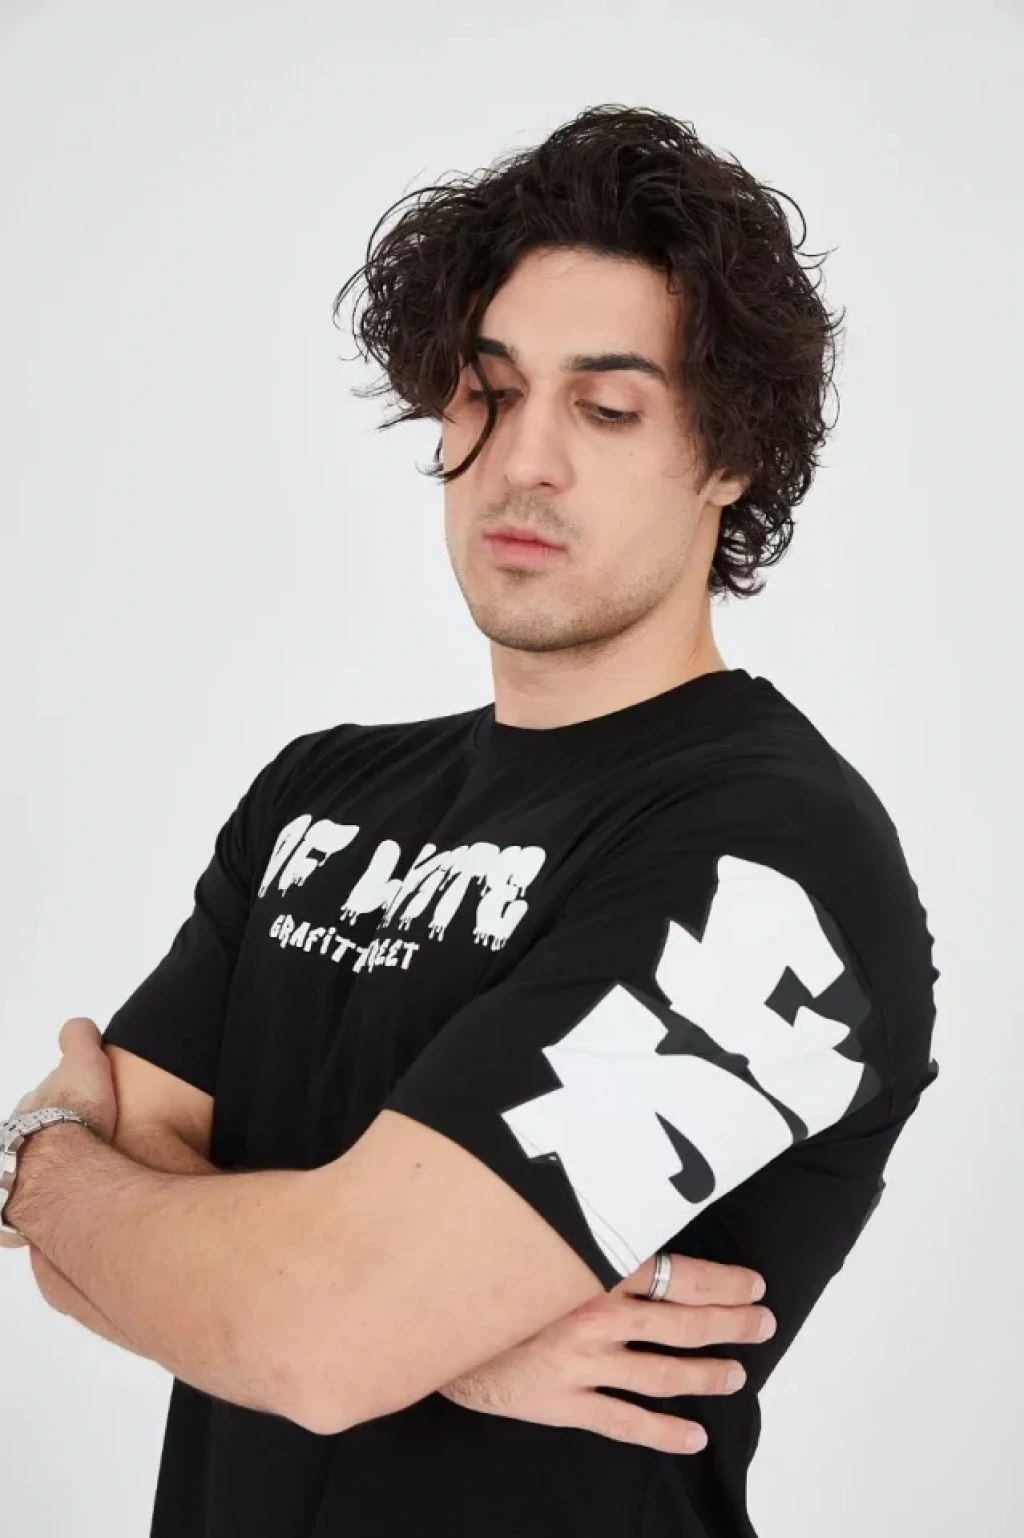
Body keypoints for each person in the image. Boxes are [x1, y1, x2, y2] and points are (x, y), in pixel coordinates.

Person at [1, 103, 939, 1537]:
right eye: (486, 393)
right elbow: (122, 1274)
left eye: (607, 409)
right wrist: (446, 1345)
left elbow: (313, 1328)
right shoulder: (317, 794)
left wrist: (44, 1160)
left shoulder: (773, 860)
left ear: (731, 454)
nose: (522, 460)